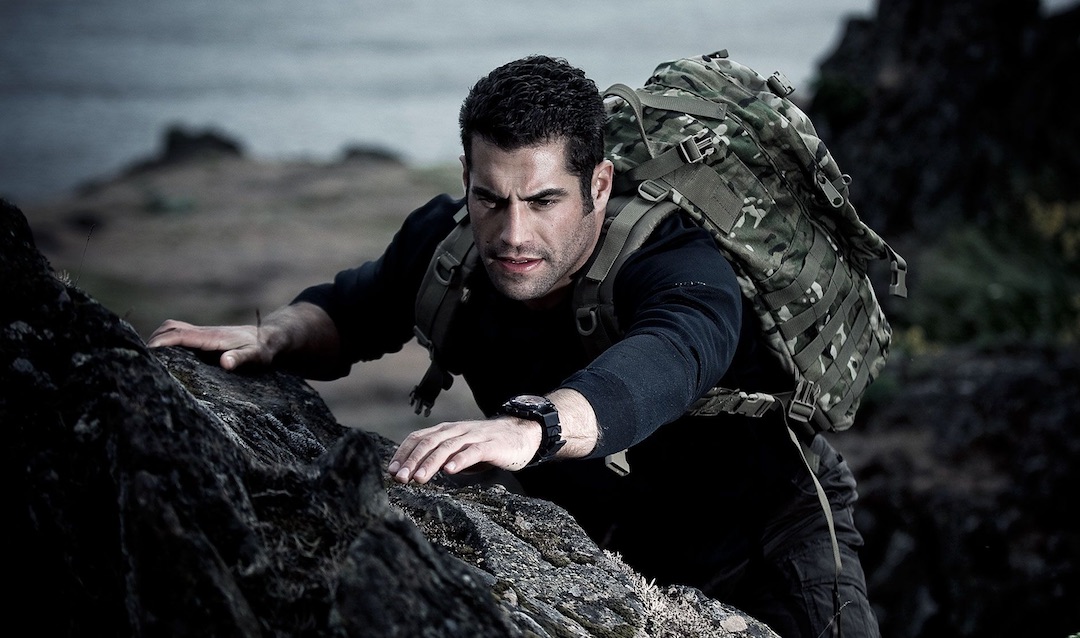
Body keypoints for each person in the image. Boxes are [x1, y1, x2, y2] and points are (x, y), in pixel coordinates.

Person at [148, 55, 880, 638]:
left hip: (770, 536)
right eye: (490, 198)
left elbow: (672, 354)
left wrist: (537, 426)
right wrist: (273, 335)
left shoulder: (675, 260)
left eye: (543, 200)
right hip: (611, 552)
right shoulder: (446, 248)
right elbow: (351, 311)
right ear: (466, 178)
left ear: (599, 185)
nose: (513, 234)